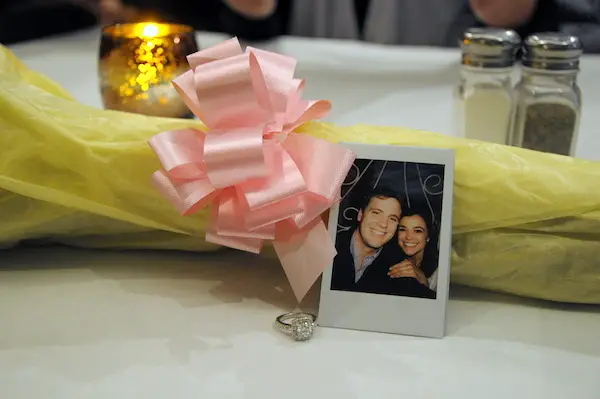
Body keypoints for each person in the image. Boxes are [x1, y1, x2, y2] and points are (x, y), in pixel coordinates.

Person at [331, 187, 435, 298]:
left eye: (392, 218)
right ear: (360, 214)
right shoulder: (330, 244)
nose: (383, 224)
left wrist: (424, 283)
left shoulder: (397, 267)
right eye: (376, 213)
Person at [387, 206, 439, 294]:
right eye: (403, 229)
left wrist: (424, 282)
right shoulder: (387, 263)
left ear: (428, 236)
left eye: (418, 231)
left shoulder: (438, 271)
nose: (408, 237)